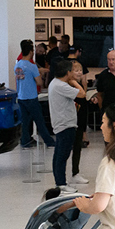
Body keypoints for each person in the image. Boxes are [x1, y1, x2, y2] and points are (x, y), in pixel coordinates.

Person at [46, 55, 85, 189]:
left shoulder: (55, 83)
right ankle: (61, 184)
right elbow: (82, 94)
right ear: (68, 72)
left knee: (59, 154)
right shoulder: (61, 85)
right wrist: (74, 81)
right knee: (62, 155)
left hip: (62, 123)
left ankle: (60, 181)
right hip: (65, 124)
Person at [15, 40, 54, 149]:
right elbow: (39, 82)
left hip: (21, 96)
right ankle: (49, 141)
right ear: (31, 51)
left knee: (25, 121)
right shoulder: (32, 66)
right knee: (39, 121)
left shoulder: (18, 65)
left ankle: (25, 140)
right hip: (31, 97)